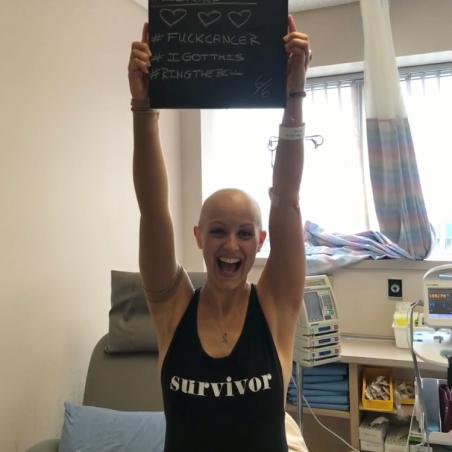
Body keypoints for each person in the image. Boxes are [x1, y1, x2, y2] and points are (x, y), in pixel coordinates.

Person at [128, 15, 310, 452]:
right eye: (217, 231)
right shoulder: (173, 308)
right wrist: (142, 106)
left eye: (245, 233)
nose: (231, 245)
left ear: (260, 243)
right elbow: (153, 210)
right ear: (198, 237)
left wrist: (294, 94)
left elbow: (286, 201)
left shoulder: (275, 306)